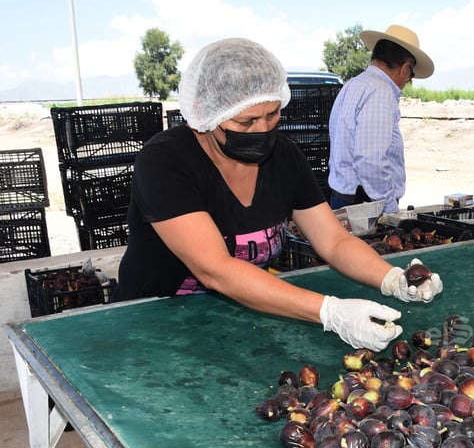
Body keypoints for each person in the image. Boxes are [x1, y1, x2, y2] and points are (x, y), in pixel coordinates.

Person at [113, 38, 442, 352]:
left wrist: (392, 278)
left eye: (272, 115)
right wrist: (329, 312)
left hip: (235, 322)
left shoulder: (283, 157)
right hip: (153, 325)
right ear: (204, 112)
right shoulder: (165, 161)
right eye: (246, 122)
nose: (262, 130)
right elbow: (215, 269)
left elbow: (333, 241)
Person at [328, 24, 434, 213]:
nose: (408, 81)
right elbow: (371, 161)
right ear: (405, 69)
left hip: (345, 196)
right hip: (364, 204)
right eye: (411, 74)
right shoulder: (380, 92)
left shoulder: (353, 84)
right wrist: (390, 210)